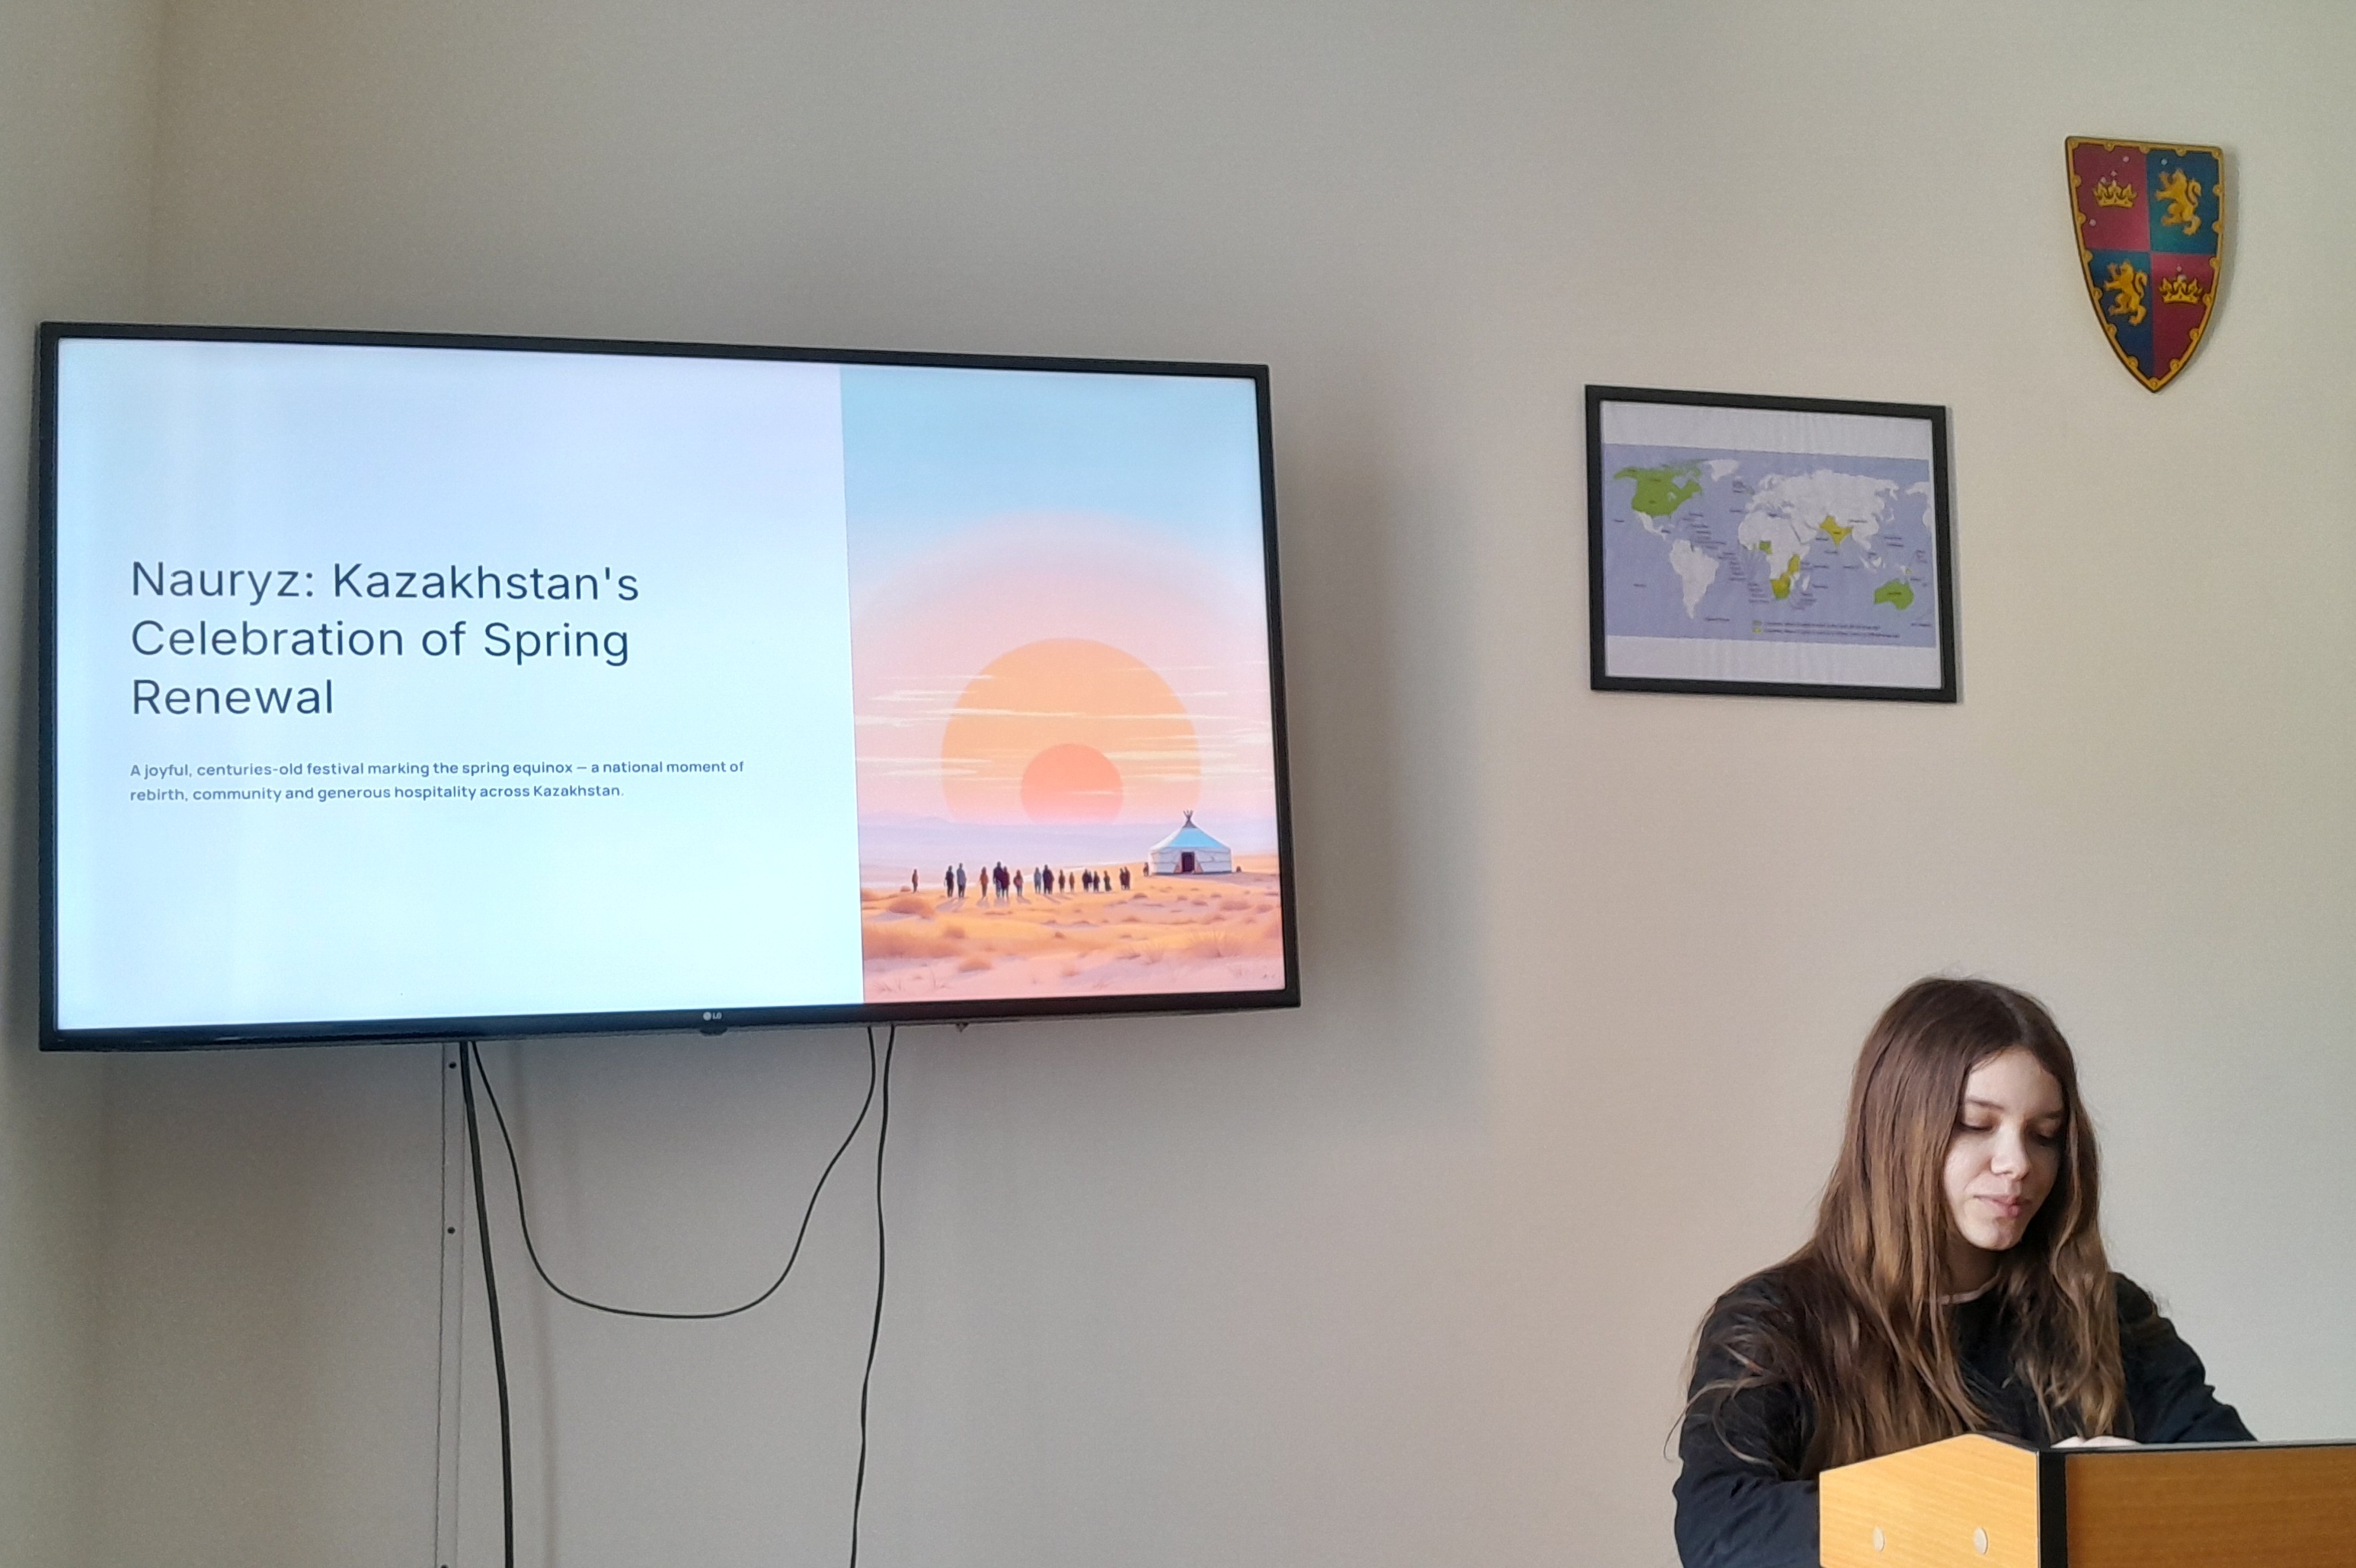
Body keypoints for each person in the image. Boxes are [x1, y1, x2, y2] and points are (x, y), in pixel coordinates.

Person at [1675, 978, 2250, 1568]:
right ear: (1895, 1132)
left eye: (2044, 1134)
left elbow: (2255, 1495)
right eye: (1976, 1125)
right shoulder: (1773, 1322)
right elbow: (1720, 1531)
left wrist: (2142, 1490)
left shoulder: (2108, 1313)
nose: (2017, 1163)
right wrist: (2003, 1504)